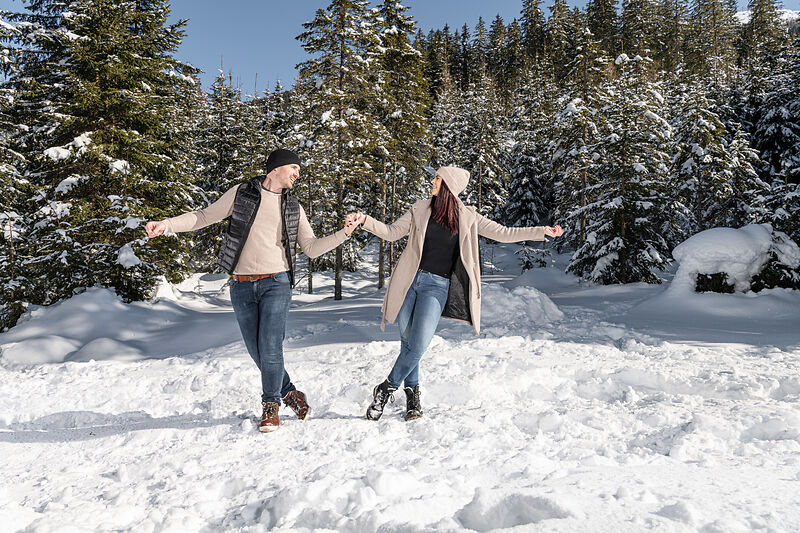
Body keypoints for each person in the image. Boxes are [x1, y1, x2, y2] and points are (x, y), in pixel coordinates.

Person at [146, 149, 359, 432]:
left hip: (277, 282)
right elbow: (203, 217)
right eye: (294, 167)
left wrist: (344, 233)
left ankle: (270, 405)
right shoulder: (242, 193)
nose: (298, 174)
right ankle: (291, 392)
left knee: (271, 347)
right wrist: (167, 225)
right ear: (276, 168)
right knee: (257, 350)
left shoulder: (293, 206)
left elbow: (311, 248)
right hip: (241, 284)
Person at [348, 166, 564, 421]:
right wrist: (364, 220)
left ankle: (386, 388)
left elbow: (504, 233)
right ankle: (413, 396)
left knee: (418, 345)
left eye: (437, 178)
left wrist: (541, 231)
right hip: (408, 282)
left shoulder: (468, 216)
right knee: (408, 344)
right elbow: (392, 232)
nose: (432, 181)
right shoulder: (420, 208)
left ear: (449, 184)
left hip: (436, 287)